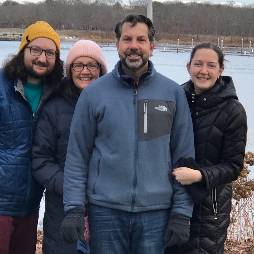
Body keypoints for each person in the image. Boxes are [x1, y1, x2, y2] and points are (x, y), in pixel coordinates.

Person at [60, 14, 195, 254]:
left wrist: (182, 213)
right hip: (105, 212)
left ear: (152, 47)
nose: (134, 46)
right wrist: (74, 209)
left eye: (141, 40)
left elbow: (183, 158)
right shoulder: (93, 94)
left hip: (157, 213)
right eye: (127, 39)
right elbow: (77, 157)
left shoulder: (172, 93)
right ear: (117, 45)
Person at [166, 42, 247, 254]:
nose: (203, 71)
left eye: (211, 65)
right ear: (188, 67)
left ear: (221, 70)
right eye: (198, 64)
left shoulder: (233, 110)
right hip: (170, 201)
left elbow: (233, 166)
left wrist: (199, 176)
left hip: (210, 209)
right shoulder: (176, 100)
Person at [32, 40, 107, 254]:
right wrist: (73, 188)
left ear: (101, 69)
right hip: (62, 209)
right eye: (78, 65)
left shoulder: (113, 104)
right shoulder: (54, 108)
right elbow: (40, 160)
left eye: (92, 65)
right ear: (70, 70)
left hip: (106, 209)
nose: (85, 71)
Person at [0, 21, 63, 254]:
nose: (42, 58)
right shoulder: (2, 87)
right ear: (22, 51)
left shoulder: (57, 94)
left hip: (31, 206)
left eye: (49, 52)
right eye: (35, 50)